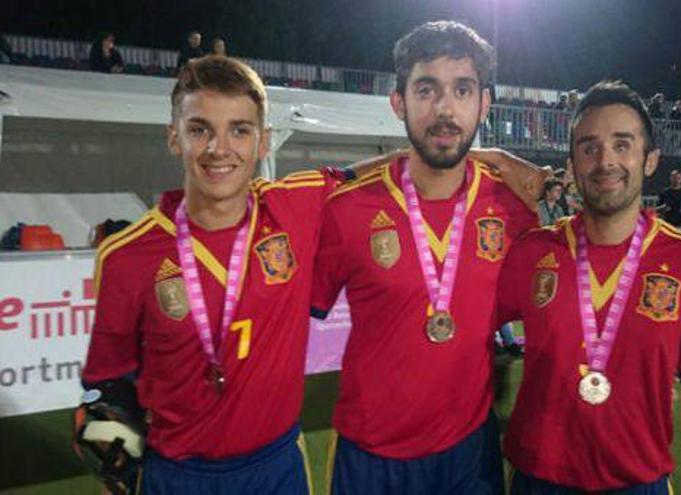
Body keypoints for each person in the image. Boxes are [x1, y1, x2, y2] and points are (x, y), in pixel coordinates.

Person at [74, 55, 390, 495]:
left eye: (239, 130)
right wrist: (107, 427)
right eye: (200, 129)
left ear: (263, 142)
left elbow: (390, 170)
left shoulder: (296, 206)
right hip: (177, 476)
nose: (219, 148)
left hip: (275, 469)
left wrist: (491, 159)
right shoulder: (126, 256)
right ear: (174, 138)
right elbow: (105, 380)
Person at [310, 21, 540, 495]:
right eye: (426, 89)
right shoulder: (347, 210)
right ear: (399, 102)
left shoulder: (514, 211)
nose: (444, 108)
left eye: (462, 89)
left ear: (484, 104)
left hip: (469, 455)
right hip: (370, 459)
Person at [498, 80, 681, 494]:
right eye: (589, 147)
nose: (605, 161)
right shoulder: (532, 252)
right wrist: (499, 159)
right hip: (539, 480)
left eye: (622, 144)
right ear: (572, 164)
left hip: (638, 483)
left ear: (650, 160)